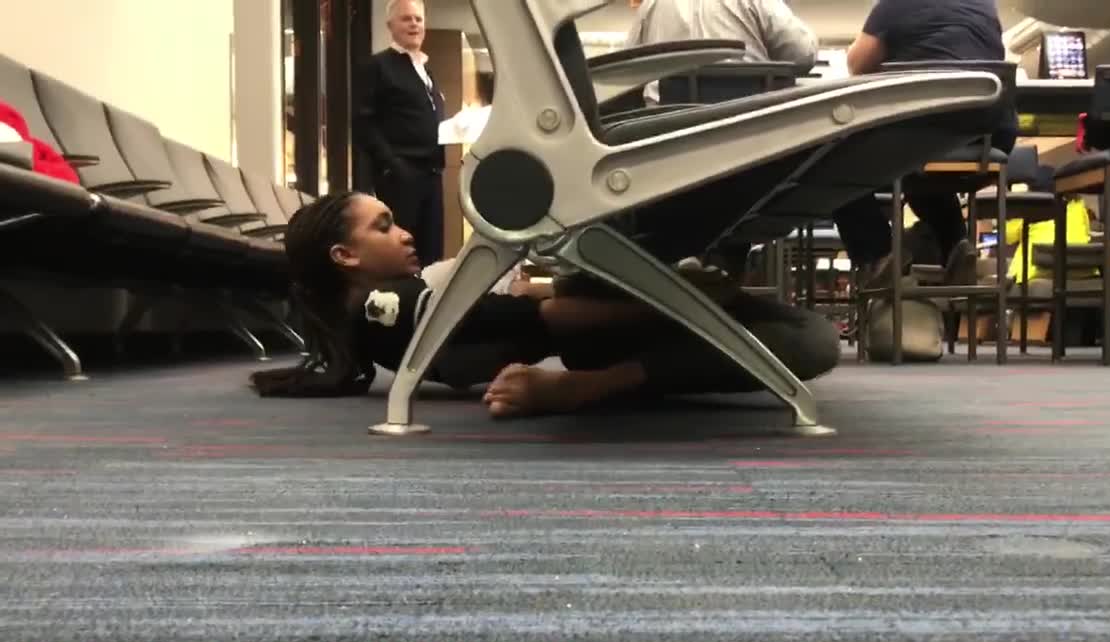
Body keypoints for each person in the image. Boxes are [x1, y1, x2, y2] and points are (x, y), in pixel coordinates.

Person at [250, 192, 841, 419]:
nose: (404, 233)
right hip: (597, 329)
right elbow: (547, 316)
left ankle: (608, 376)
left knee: (804, 336)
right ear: (344, 256)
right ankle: (595, 386)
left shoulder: (389, 315)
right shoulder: (393, 307)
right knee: (810, 341)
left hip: (590, 327)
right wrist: (691, 304)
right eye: (384, 227)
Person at [834, 0, 1015, 286]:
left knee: (836, 162)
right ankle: (955, 243)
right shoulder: (985, 5)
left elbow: (857, 64)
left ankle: (878, 254)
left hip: (924, 133)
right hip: (989, 135)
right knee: (921, 163)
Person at [353, 0, 446, 266]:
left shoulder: (426, 69)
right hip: (401, 176)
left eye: (418, 19)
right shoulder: (378, 66)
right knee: (403, 252)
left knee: (431, 253)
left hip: (431, 174)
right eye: (406, 19)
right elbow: (363, 123)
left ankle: (428, 305)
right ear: (390, 26)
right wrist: (392, 166)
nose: (414, 24)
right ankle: (402, 305)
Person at [624, 0, 818, 104]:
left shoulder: (651, 4)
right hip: (751, 126)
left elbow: (627, 72)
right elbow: (803, 55)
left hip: (669, 132)